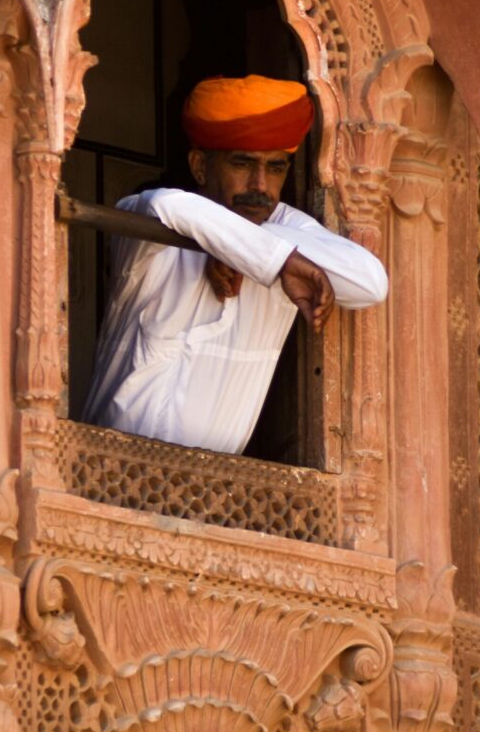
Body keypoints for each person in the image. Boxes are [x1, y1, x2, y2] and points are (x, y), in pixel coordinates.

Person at [83, 75, 388, 454]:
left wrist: (253, 252)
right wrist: (274, 262)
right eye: (243, 163)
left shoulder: (282, 230)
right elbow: (167, 205)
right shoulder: (149, 232)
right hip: (111, 475)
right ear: (199, 166)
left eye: (276, 167)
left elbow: (371, 281)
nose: (260, 184)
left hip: (216, 498)